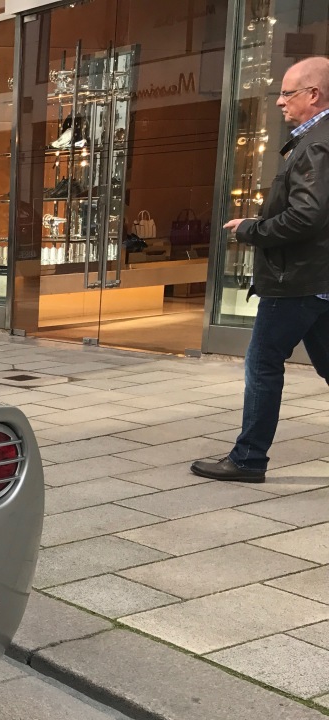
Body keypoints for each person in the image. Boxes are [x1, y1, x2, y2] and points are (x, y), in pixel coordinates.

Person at [192, 56, 329, 483]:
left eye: (287, 93)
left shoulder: (318, 145)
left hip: (298, 280)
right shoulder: (315, 140)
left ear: (314, 94)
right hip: (317, 277)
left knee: (263, 362)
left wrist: (254, 229)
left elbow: (309, 215)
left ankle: (249, 458)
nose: (279, 102)